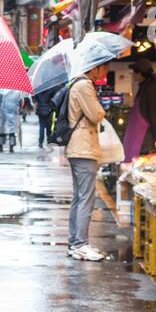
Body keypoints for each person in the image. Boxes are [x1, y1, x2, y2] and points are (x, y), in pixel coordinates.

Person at [65, 64, 109, 262]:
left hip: (78, 147)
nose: (105, 73)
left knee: (79, 197)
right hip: (83, 147)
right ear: (95, 68)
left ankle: (75, 242)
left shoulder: (76, 83)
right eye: (103, 69)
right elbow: (96, 114)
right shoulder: (84, 85)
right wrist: (100, 108)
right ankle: (80, 244)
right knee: (86, 198)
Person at [127, 58, 156, 157]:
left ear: (140, 73)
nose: (133, 75)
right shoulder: (144, 87)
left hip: (147, 138)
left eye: (134, 72)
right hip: (142, 136)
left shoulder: (152, 89)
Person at [0, 88, 24, 152]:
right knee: (12, 128)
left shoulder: (1, 89)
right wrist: (19, 110)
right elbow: (21, 102)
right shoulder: (18, 91)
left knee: (2, 128)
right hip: (13, 110)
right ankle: (11, 145)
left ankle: (1, 145)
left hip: (3, 109)